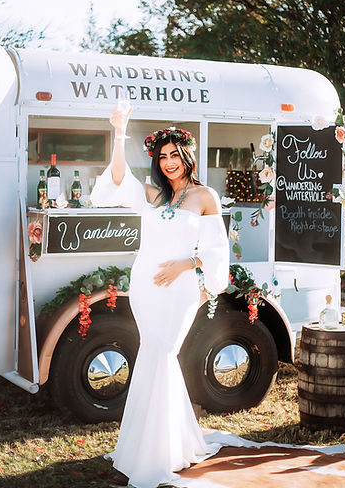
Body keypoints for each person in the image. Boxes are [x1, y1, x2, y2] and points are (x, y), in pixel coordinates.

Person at [90, 103, 230, 488]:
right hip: (145, 289)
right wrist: (120, 131)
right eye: (161, 156)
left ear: (186, 156)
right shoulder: (153, 195)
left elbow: (218, 250)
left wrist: (184, 266)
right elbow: (118, 178)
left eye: (174, 155)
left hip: (179, 290)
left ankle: (157, 455)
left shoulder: (205, 197)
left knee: (163, 354)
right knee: (153, 357)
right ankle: (152, 447)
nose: (168, 162)